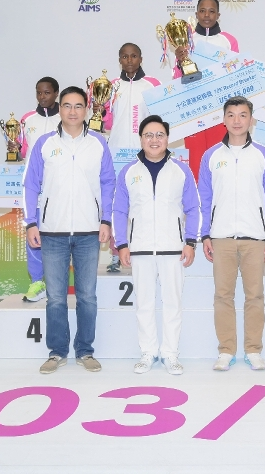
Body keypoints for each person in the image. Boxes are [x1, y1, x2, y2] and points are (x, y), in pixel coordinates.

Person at [23, 86, 114, 374]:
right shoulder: (44, 143)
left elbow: (108, 183)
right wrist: (31, 222)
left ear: (87, 109)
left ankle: (85, 351)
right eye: (67, 105)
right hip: (52, 232)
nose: (72, 111)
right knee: (56, 298)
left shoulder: (98, 143)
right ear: (59, 109)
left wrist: (106, 220)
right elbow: (31, 184)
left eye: (78, 106)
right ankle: (57, 352)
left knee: (87, 296)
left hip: (88, 232)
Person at [113, 115, 201, 375]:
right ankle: (148, 352)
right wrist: (122, 244)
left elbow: (193, 208)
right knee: (144, 304)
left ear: (167, 139)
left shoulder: (181, 171)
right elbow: (119, 210)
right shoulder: (129, 172)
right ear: (141, 139)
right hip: (139, 249)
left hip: (173, 249)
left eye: (159, 135)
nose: (154, 140)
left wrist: (190, 241)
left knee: (173, 304)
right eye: (149, 135)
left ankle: (170, 354)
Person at [198, 97, 265, 371]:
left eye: (243, 115)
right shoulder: (211, 156)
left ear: (251, 120)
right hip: (221, 237)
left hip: (255, 237)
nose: (237, 120)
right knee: (223, 296)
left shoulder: (263, 155)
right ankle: (226, 350)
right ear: (223, 120)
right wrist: (205, 234)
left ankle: (253, 350)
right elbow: (205, 198)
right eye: (231, 115)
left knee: (254, 296)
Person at [103, 43, 161, 274]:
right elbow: (106, 123)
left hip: (145, 154)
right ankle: (116, 253)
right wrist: (100, 108)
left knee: (145, 202)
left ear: (141, 58)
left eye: (134, 56)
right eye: (125, 56)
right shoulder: (110, 86)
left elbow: (159, 118)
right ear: (119, 59)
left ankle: (146, 250)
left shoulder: (152, 84)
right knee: (118, 206)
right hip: (116, 153)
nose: (129, 60)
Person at [174, 0, 239, 180]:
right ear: (196, 14)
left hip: (219, 109)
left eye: (211, 11)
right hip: (193, 109)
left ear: (218, 15)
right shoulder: (186, 40)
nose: (207, 15)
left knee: (220, 158)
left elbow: (235, 73)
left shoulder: (228, 40)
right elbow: (176, 79)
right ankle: (197, 197)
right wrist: (179, 61)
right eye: (202, 11)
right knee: (195, 159)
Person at [19, 76, 61, 303]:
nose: (42, 96)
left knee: (59, 236)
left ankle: (57, 283)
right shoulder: (27, 120)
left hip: (58, 189)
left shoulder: (65, 118)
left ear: (56, 93)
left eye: (47, 92)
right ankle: (37, 282)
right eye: (39, 92)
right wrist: (14, 147)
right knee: (33, 234)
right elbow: (22, 151)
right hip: (34, 188)